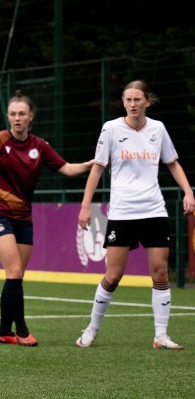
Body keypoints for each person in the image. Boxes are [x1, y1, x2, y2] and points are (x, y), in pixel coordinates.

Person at [0, 90, 92, 347]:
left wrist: (90, 164)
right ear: (8, 116)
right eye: (12, 114)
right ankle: (21, 330)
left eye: (22, 114)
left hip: (23, 217)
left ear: (31, 116)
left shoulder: (39, 146)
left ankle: (2, 331)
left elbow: (65, 168)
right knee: (15, 269)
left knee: (15, 275)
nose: (17, 118)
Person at [75, 80, 195, 350]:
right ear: (123, 102)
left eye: (137, 99)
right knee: (114, 275)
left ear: (147, 102)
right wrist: (85, 205)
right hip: (122, 212)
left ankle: (161, 335)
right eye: (127, 99)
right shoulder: (111, 128)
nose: (132, 104)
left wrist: (188, 192)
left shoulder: (158, 129)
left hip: (153, 210)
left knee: (160, 272)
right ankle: (92, 329)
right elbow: (97, 169)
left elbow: (172, 163)